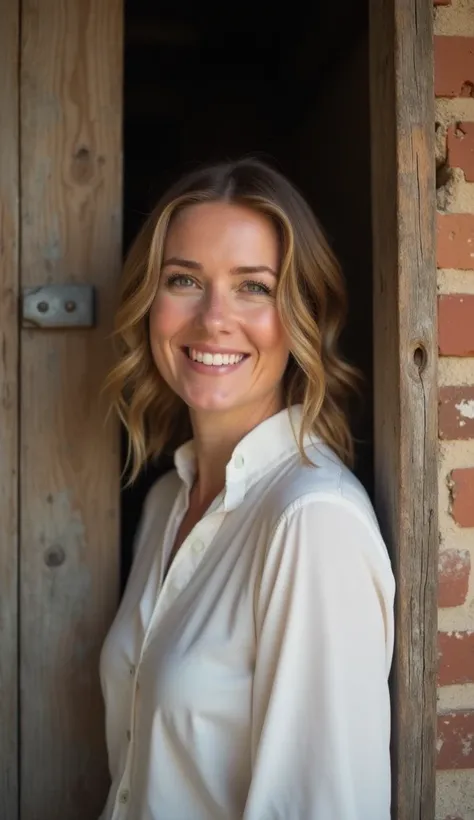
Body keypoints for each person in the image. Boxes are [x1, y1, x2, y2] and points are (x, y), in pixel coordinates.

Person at [99, 157, 395, 820]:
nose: (212, 319)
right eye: (184, 281)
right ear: (150, 302)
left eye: (253, 288)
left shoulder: (312, 523)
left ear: (302, 316)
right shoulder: (164, 503)